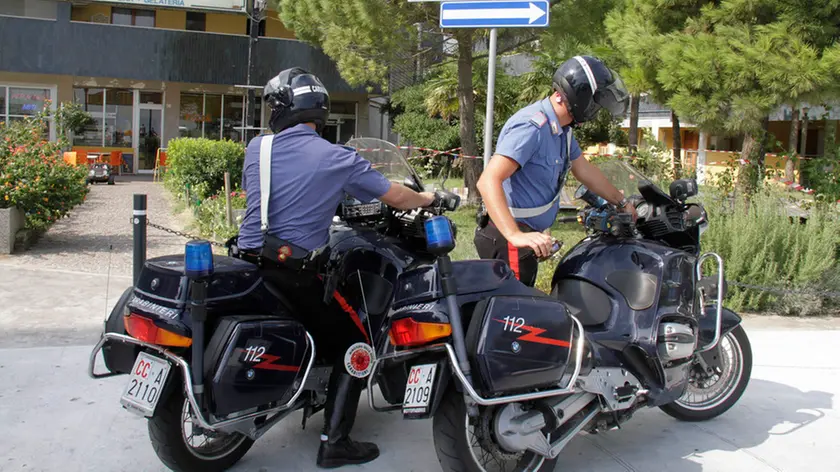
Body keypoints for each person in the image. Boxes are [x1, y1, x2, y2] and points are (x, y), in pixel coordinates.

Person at [235, 68, 436, 468]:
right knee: (356, 341)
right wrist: (428, 198)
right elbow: (396, 196)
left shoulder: (257, 148)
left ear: (283, 109)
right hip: (292, 273)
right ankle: (335, 441)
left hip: (248, 262)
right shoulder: (336, 156)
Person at [475, 55, 637, 287]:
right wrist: (515, 235)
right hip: (507, 239)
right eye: (595, 102)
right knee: (513, 314)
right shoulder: (532, 127)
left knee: (520, 309)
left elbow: (585, 171)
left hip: (527, 237)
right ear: (580, 97)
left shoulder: (563, 130)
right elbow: (488, 180)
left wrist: (621, 202)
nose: (595, 110)